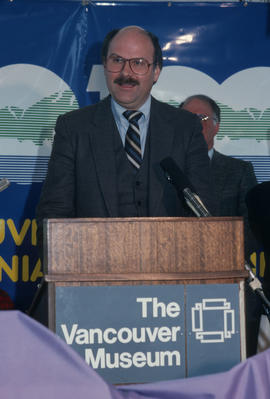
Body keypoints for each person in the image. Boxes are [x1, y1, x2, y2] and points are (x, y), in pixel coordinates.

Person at [36, 27, 213, 244]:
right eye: (117, 60)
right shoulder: (73, 128)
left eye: (138, 63)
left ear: (156, 72)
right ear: (104, 66)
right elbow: (54, 213)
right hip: (93, 270)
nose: (125, 73)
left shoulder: (185, 128)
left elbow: (204, 211)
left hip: (170, 270)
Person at [181, 94, 260, 356]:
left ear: (216, 125)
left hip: (228, 284)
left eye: (202, 118)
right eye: (187, 119)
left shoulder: (239, 171)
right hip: (174, 287)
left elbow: (252, 227)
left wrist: (217, 256)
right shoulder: (162, 170)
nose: (195, 124)